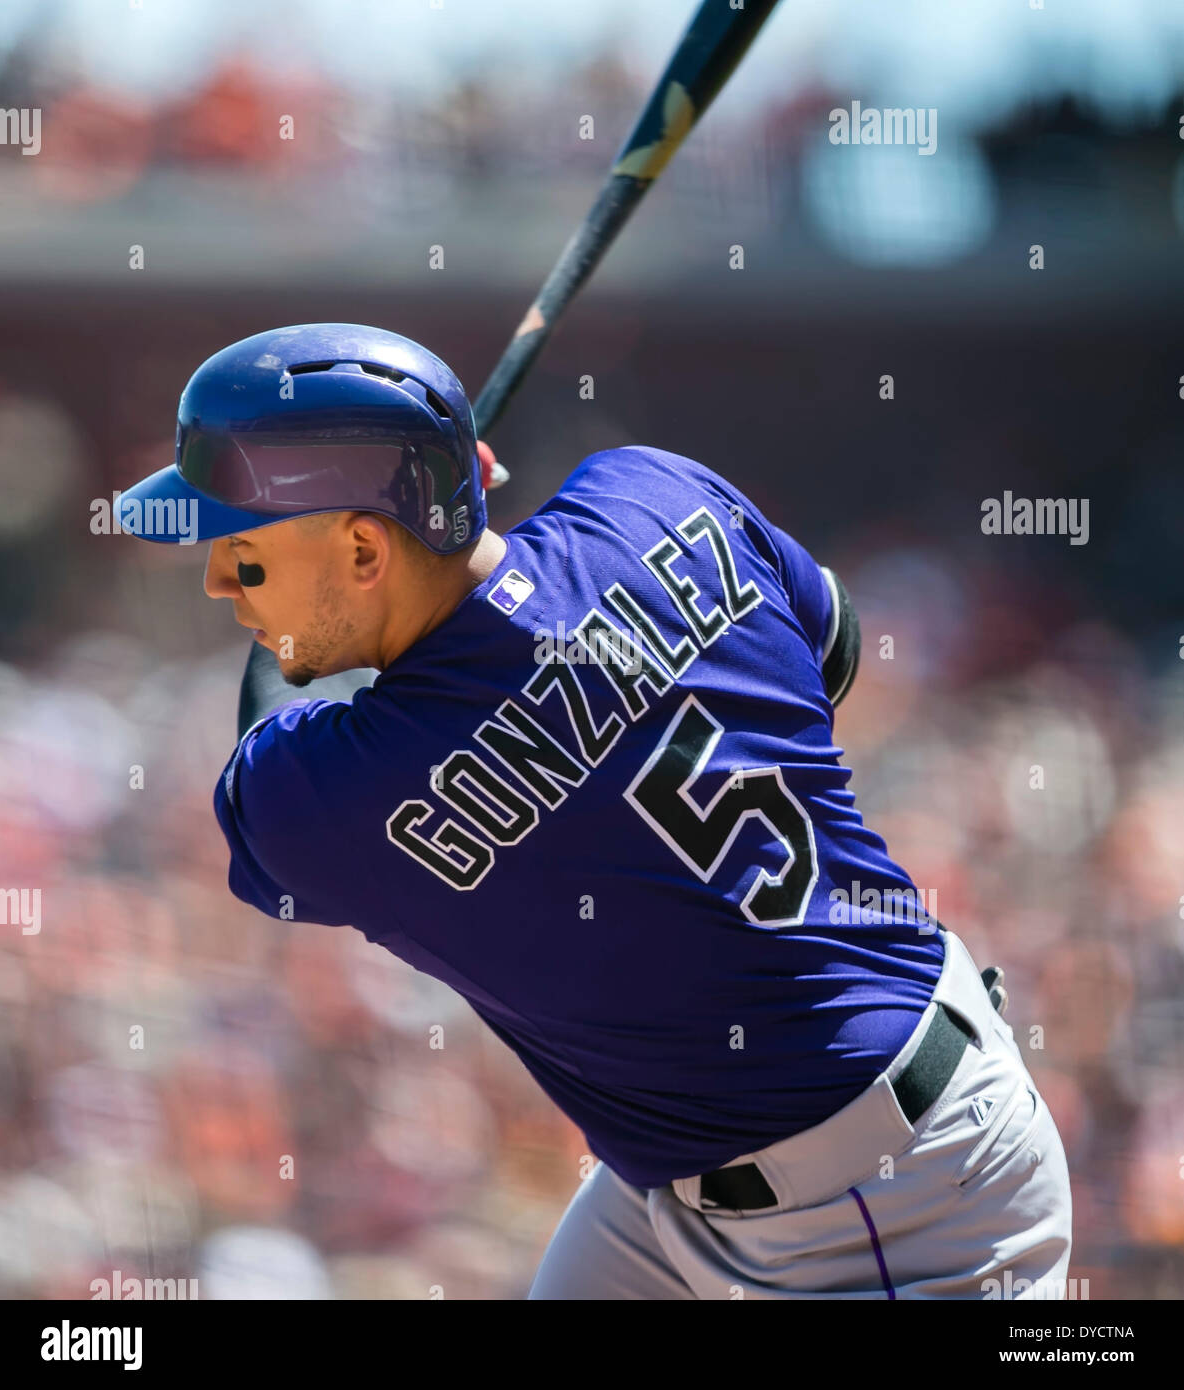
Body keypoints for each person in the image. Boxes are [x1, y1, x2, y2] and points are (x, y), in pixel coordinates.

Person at [117, 322, 1073, 1299]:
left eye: (244, 554)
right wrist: (551, 618)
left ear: (365, 545)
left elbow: (266, 740)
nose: (217, 582)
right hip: (704, 1171)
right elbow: (831, 652)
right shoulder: (650, 493)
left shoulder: (335, 794)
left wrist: (476, 652)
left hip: (897, 1204)